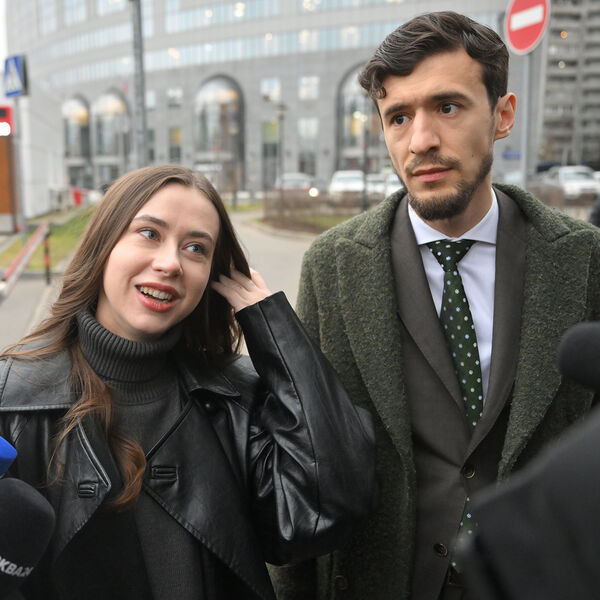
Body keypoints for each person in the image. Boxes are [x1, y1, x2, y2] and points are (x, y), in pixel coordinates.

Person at [268, 11, 600, 600]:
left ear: (502, 115)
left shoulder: (584, 258)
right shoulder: (333, 265)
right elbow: (306, 454)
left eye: (447, 107)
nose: (420, 140)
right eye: (398, 117)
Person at [0, 165, 377, 600]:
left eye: (196, 248)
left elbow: (329, 506)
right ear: (104, 244)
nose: (170, 264)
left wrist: (275, 328)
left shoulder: (234, 397)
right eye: (149, 233)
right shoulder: (12, 400)